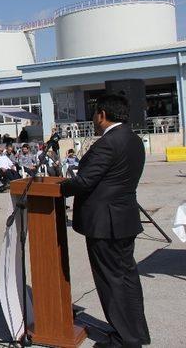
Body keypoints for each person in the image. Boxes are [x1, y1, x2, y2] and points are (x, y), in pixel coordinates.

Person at [60, 94, 150, 348]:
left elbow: (85, 181)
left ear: (102, 115)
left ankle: (124, 340)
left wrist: (60, 188)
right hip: (124, 220)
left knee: (111, 282)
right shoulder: (133, 139)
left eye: (94, 114)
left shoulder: (108, 143)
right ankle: (136, 333)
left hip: (105, 224)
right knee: (127, 278)